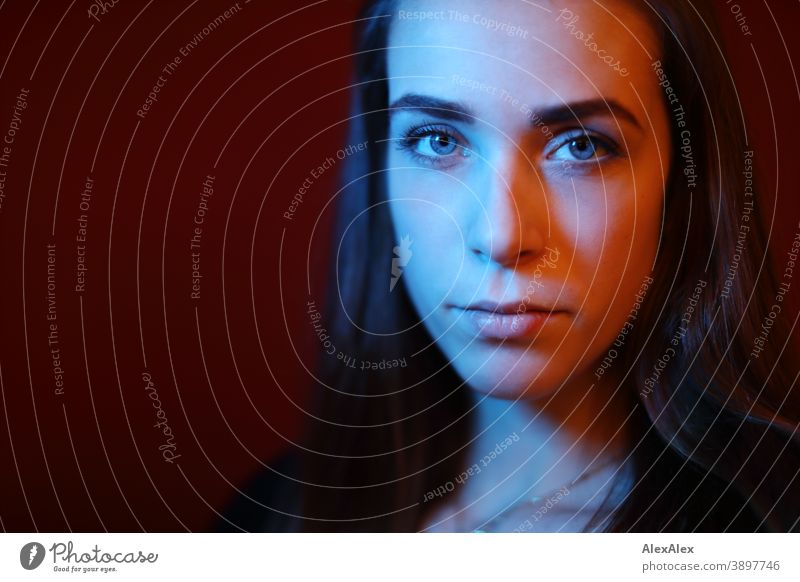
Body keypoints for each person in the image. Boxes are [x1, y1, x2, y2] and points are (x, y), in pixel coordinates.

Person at [217, 0, 800, 532]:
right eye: (438, 140)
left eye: (581, 146)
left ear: (682, 181)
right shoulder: (267, 524)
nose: (500, 237)